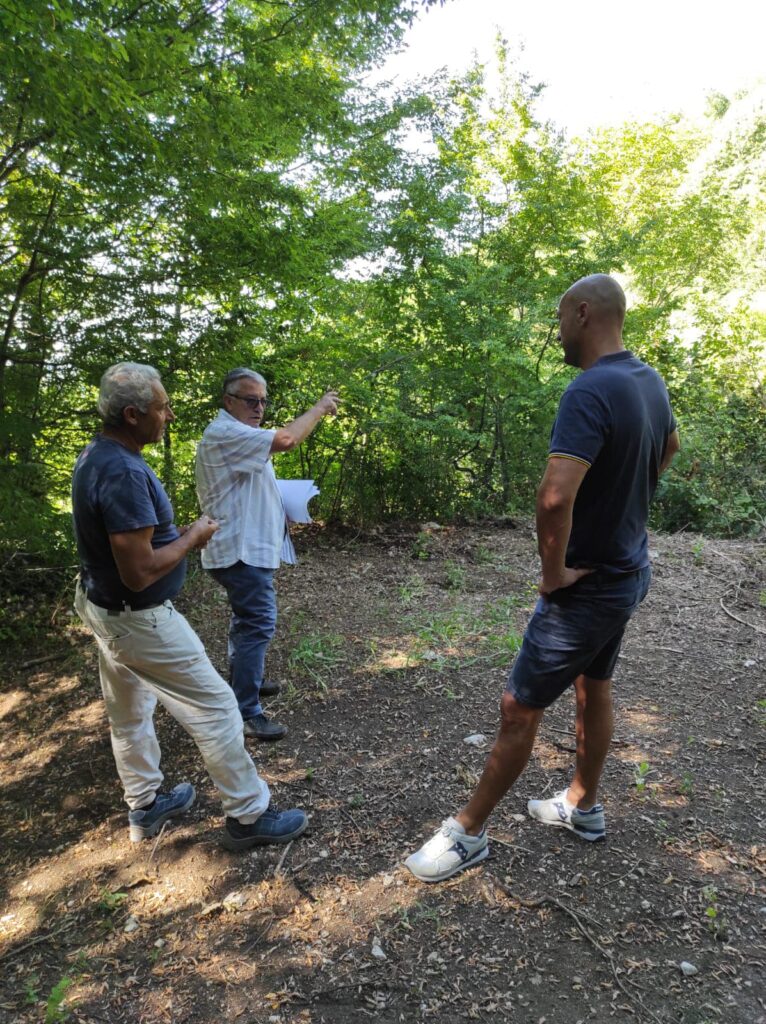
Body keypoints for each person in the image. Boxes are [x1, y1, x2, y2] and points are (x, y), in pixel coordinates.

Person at [405, 274, 680, 883]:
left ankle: (466, 834)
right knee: (593, 685)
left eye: (559, 319)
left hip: (588, 587)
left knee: (518, 708)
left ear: (582, 313)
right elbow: (669, 449)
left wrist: (553, 575)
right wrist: (626, 503)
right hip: (628, 571)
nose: (557, 333)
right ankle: (582, 805)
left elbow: (555, 497)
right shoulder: (648, 380)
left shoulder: (590, 389)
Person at [72, 362, 308, 851]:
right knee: (219, 708)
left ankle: (145, 804)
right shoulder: (122, 471)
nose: (170, 415)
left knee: (130, 711)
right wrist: (193, 537)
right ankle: (249, 814)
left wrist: (176, 536)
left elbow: (128, 548)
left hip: (105, 608)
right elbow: (140, 572)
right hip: (139, 617)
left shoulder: (97, 455)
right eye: (162, 408)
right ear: (133, 414)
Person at [195, 369, 339, 741]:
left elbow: (251, 485)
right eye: (250, 400)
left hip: (245, 548)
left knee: (246, 621)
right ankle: (246, 711)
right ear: (229, 401)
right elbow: (287, 439)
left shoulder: (238, 433)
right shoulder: (226, 432)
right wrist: (320, 408)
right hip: (240, 551)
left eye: (263, 400)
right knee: (257, 623)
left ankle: (248, 682)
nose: (259, 408)